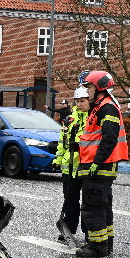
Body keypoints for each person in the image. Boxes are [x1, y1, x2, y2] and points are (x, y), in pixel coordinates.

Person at [76, 71, 128, 257]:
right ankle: (106, 244)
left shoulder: (107, 108)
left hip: (100, 167)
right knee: (102, 206)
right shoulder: (99, 107)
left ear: (99, 88)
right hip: (98, 167)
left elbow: (109, 139)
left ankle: (97, 247)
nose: (86, 91)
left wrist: (96, 163)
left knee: (93, 206)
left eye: (89, 87)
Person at [52, 87, 90, 243]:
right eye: (78, 101)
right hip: (69, 166)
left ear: (89, 101)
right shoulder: (69, 119)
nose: (80, 104)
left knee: (88, 202)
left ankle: (90, 232)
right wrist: (57, 160)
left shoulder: (92, 119)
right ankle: (69, 229)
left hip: (86, 166)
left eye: (83, 101)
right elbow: (62, 142)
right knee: (70, 201)